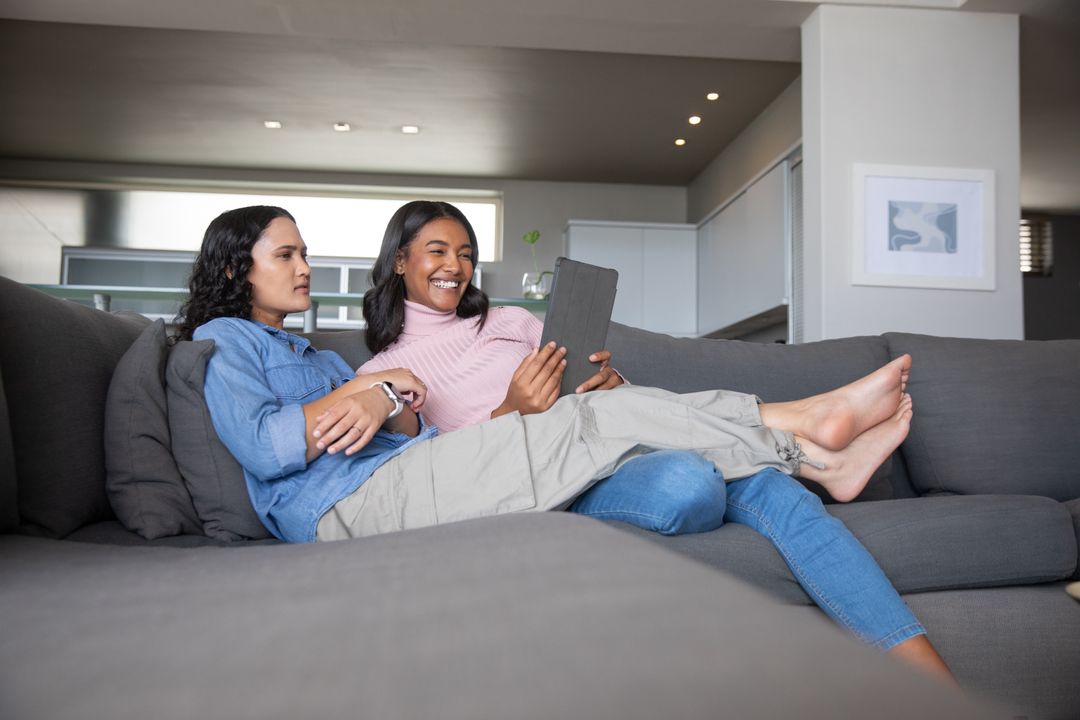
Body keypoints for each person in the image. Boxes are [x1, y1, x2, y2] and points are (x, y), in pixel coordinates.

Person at [179, 204, 954, 684]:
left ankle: (930, 680)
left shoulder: (323, 358)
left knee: (740, 477)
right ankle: (805, 429)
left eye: (465, 252)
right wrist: (390, 391)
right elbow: (284, 445)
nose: (307, 266)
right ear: (401, 265)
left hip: (476, 463)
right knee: (677, 475)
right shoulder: (246, 346)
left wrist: (386, 401)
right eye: (289, 254)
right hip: (425, 489)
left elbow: (398, 430)